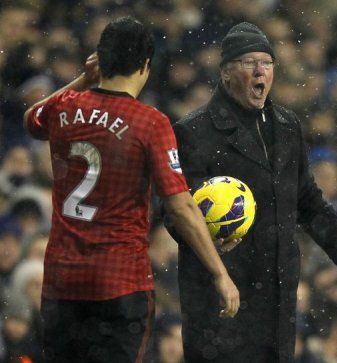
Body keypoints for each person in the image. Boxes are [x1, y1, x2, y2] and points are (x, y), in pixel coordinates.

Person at [23, 17, 239, 363]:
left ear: (100, 60)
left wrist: (83, 80)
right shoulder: (149, 123)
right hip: (119, 284)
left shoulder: (65, 108)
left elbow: (32, 119)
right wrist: (219, 273)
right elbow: (181, 206)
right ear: (146, 66)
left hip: (63, 283)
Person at [169, 22, 337, 362]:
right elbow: (174, 211)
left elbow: (306, 198)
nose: (261, 70)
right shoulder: (193, 131)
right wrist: (213, 245)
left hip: (277, 292)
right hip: (220, 293)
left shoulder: (288, 126)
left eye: (267, 62)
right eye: (249, 62)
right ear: (226, 72)